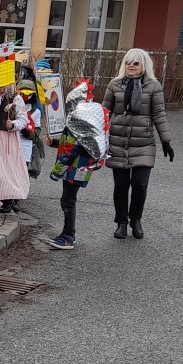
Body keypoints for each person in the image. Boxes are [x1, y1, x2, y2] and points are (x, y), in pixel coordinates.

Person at [103, 48, 173, 239]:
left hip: (144, 142)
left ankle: (136, 219)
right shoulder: (115, 84)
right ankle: (121, 222)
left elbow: (159, 114)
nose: (131, 66)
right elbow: (104, 113)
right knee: (121, 185)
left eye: (136, 63)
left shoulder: (153, 86)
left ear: (144, 65)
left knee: (140, 185)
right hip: (118, 141)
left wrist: (166, 141)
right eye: (128, 63)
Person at [47, 80, 109, 250]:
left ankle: (68, 236)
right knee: (69, 199)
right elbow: (77, 141)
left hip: (74, 167)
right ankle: (67, 234)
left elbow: (71, 148)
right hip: (83, 165)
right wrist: (55, 143)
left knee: (68, 200)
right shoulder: (88, 117)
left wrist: (57, 171)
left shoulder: (77, 118)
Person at [0, 62, 30, 215]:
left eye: (0, 86)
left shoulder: (15, 98)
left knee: (5, 168)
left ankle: (8, 199)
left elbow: (24, 119)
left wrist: (13, 124)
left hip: (6, 139)